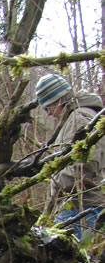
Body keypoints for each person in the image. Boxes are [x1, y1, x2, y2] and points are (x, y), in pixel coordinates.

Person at [35, 73, 104, 238]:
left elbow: (87, 165)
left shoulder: (78, 119)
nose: (48, 114)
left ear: (60, 100)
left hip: (86, 205)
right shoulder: (76, 117)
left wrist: (56, 180)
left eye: (48, 107)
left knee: (61, 252)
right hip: (82, 204)